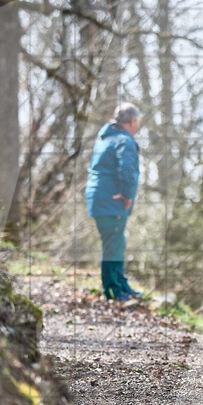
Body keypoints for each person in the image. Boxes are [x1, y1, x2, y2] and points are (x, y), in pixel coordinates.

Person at [85, 102, 143, 301]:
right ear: (133, 121)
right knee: (113, 245)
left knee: (117, 242)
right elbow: (126, 169)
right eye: (138, 122)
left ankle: (121, 284)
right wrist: (127, 195)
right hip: (112, 199)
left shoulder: (106, 137)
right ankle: (112, 290)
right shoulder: (124, 140)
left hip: (99, 198)